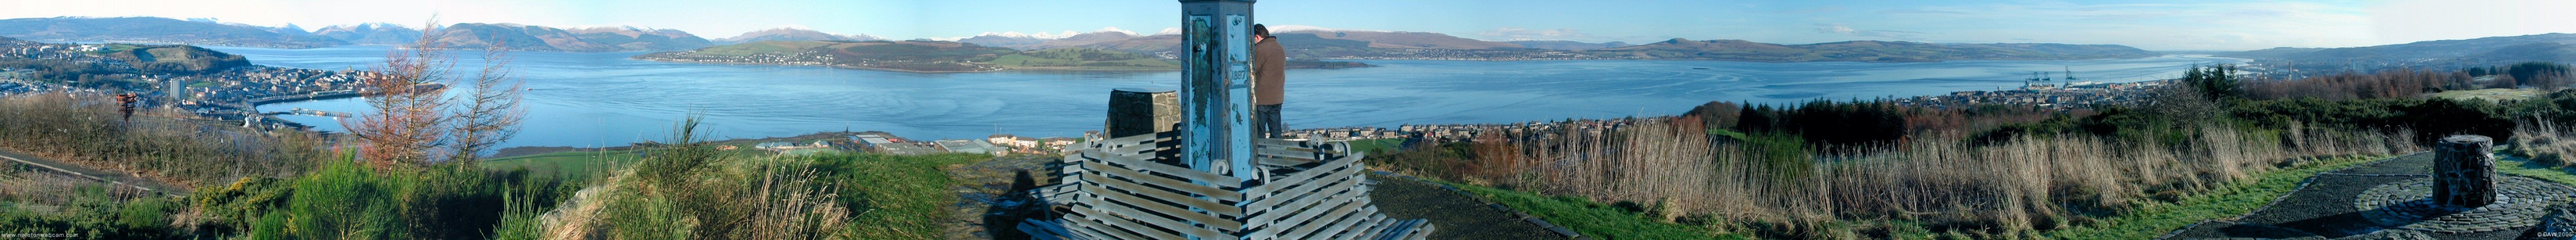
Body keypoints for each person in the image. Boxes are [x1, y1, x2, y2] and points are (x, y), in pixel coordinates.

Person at [1250, 24, 1286, 139]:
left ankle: (1260, 157)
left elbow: (1251, 70)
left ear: (1257, 36)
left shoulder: (1260, 49)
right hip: (1278, 98)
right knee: (1276, 133)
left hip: (1262, 99)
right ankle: (1278, 156)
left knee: (1259, 134)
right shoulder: (1280, 48)